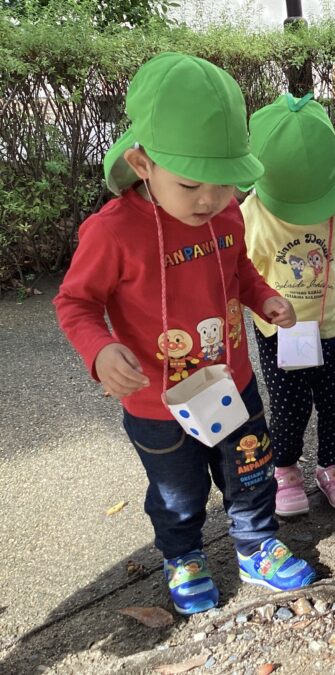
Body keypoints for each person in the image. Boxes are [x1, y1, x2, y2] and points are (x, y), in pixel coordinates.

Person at [54, 53, 315, 616]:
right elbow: (75, 302)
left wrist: (263, 297)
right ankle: (184, 556)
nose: (210, 199)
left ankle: (256, 545)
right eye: (191, 183)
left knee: (251, 471)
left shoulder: (226, 215)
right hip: (157, 401)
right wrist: (100, 350)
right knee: (177, 491)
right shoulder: (112, 232)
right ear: (142, 163)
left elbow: (239, 269)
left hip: (233, 382)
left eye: (226, 183)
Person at [241, 93, 335, 517]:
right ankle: (285, 468)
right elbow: (244, 273)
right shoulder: (254, 214)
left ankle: (332, 465)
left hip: (333, 326)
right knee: (289, 406)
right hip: (280, 333)